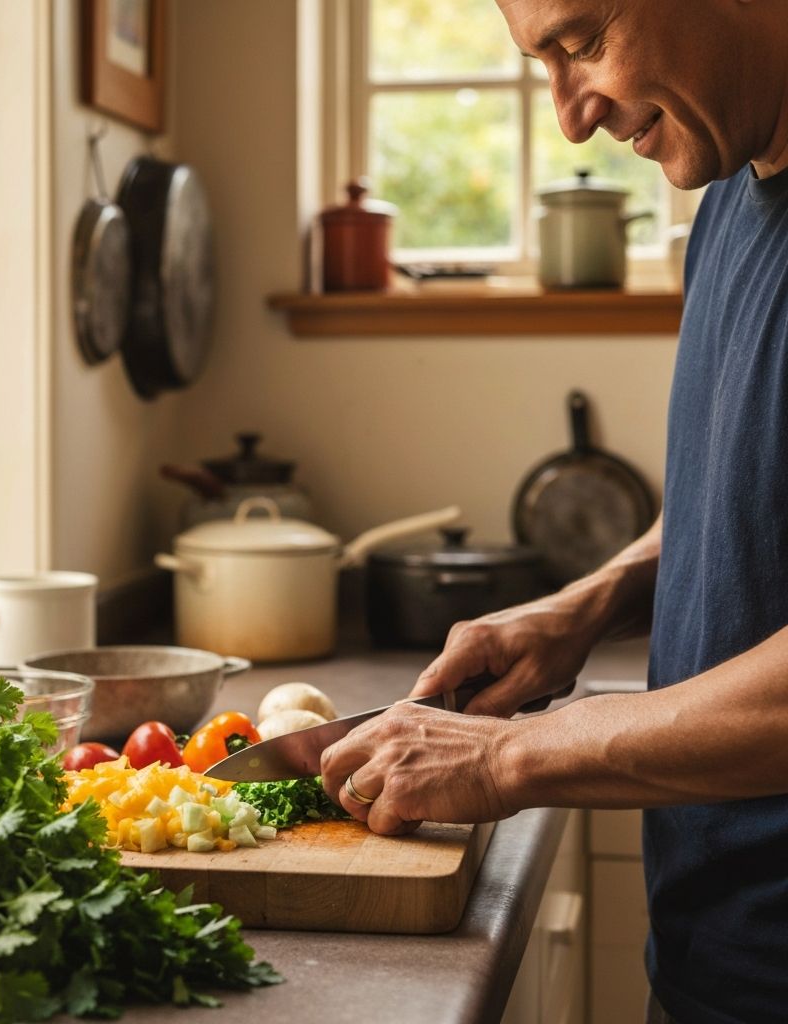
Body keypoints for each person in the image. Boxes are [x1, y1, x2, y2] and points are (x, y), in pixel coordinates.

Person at [320, 2, 788, 1023]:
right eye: (540, 62)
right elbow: (741, 495)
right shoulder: (726, 195)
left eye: (583, 43)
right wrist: (586, 604)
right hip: (713, 959)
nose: (571, 118)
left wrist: (508, 755)